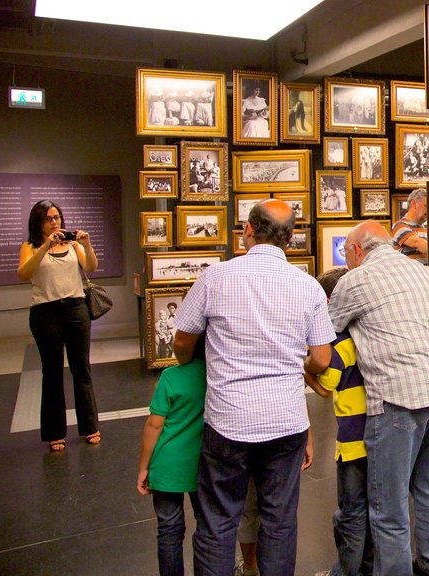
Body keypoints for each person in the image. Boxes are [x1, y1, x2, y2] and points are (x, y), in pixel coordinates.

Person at [172, 199, 334, 576]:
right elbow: (322, 359)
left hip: (228, 420)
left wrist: (192, 362)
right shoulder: (308, 286)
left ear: (247, 230)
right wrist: (299, 368)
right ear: (291, 239)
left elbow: (181, 343)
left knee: (217, 520)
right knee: (279, 520)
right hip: (286, 421)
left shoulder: (215, 277)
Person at [329, 221, 429, 576]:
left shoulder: (354, 281)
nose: (346, 261)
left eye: (345, 254)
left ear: (357, 250)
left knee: (389, 508)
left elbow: (327, 333)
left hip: (397, 398)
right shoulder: (423, 272)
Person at [17, 200, 101, 452]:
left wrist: (87, 245)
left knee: (81, 369)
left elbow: (91, 267)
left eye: (57, 217)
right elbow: (24, 274)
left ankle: (89, 427)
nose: (55, 222)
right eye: (49, 219)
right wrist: (45, 247)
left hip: (76, 308)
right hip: (45, 312)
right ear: (38, 223)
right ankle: (55, 432)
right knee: (52, 372)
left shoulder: (74, 244)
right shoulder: (30, 247)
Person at [308, 268, 375, 576]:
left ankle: (345, 572)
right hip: (378, 433)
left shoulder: (341, 342)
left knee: (350, 512)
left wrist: (302, 367)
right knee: (375, 513)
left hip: (352, 442)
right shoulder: (371, 333)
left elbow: (326, 386)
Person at [136, 335, 207, 576]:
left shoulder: (170, 376)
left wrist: (144, 467)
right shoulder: (217, 377)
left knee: (169, 530)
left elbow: (154, 425)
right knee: (208, 527)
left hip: (167, 467)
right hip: (204, 466)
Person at [392, 188, 429, 264]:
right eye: (426, 206)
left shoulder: (425, 229)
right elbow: (416, 243)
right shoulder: (400, 225)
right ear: (414, 204)